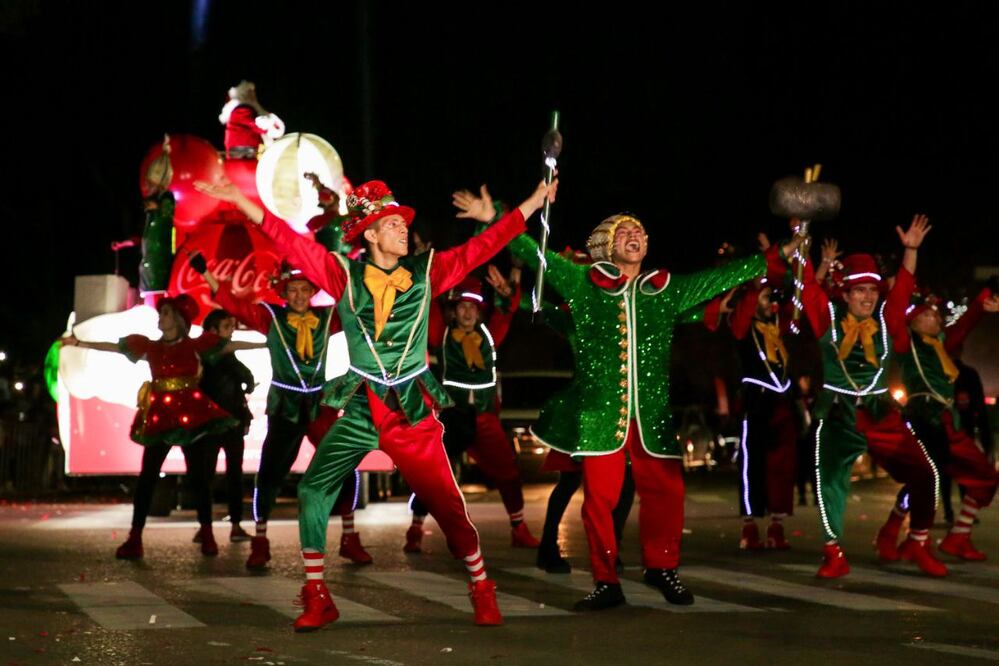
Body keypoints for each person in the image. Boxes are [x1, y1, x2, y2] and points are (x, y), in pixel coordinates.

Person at [195, 174, 557, 630]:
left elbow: (484, 246)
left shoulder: (428, 270)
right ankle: (318, 596)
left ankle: (481, 586)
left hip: (410, 407)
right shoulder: (341, 273)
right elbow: (287, 241)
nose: (405, 229)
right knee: (312, 489)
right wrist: (240, 201)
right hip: (363, 405)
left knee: (447, 504)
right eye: (394, 224)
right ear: (369, 234)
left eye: (405, 224)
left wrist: (533, 202)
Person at [453, 185, 799, 610]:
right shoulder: (583, 284)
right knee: (599, 501)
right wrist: (494, 220)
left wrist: (776, 256)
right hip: (601, 417)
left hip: (651, 418)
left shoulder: (666, 289)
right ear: (607, 247)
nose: (634, 235)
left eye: (639, 230)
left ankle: (661, 567)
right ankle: (606, 581)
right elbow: (536, 255)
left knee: (667, 494)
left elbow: (721, 277)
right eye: (623, 232)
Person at [796, 215, 946, 578]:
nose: (867, 297)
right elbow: (806, 289)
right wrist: (805, 242)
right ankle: (833, 553)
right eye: (859, 290)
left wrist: (910, 250)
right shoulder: (827, 317)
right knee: (829, 481)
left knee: (926, 474)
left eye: (872, 290)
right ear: (845, 293)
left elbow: (903, 287)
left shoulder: (886, 318)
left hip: (880, 411)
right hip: (837, 411)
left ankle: (917, 541)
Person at [199, 260, 372, 569]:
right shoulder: (271, 317)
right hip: (285, 408)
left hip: (319, 404)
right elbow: (234, 306)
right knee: (269, 473)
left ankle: (350, 537)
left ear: (312, 292)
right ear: (284, 293)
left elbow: (355, 303)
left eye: (304, 290)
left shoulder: (326, 316)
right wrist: (205, 274)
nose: (299, 296)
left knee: (345, 464)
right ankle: (260, 542)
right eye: (292, 290)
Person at [61, 294, 258, 559]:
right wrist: (79, 342)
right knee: (148, 477)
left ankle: (208, 533)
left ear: (177, 319)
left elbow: (230, 347)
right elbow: (113, 347)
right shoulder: (150, 347)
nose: (160, 317)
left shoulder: (195, 346)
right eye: (161, 312)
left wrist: (272, 344)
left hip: (192, 415)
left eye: (165, 313)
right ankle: (135, 537)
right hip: (161, 416)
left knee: (199, 478)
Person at [404, 269, 540, 553]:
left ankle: (519, 527)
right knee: (433, 474)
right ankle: (416, 527)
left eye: (473, 307)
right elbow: (428, 307)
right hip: (452, 417)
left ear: (479, 312)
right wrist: (430, 274)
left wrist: (510, 290)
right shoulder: (441, 333)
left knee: (508, 472)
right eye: (462, 306)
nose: (467, 313)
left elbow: (507, 312)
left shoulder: (490, 335)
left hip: (484, 416)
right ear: (453, 311)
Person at [876, 287, 999, 561]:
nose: (936, 318)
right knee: (923, 479)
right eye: (928, 314)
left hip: (947, 423)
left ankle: (959, 536)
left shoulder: (941, 343)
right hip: (922, 418)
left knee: (986, 476)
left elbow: (964, 325)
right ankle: (896, 532)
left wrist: (981, 300)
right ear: (914, 321)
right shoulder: (906, 344)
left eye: (936, 314)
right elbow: (893, 315)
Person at [197, 308, 255, 543]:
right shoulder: (225, 354)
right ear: (213, 330)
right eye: (227, 327)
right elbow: (247, 378)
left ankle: (206, 527)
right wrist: (248, 388)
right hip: (229, 422)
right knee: (233, 475)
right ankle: (235, 526)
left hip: (209, 422)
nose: (231, 331)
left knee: (205, 476)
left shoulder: (201, 354)